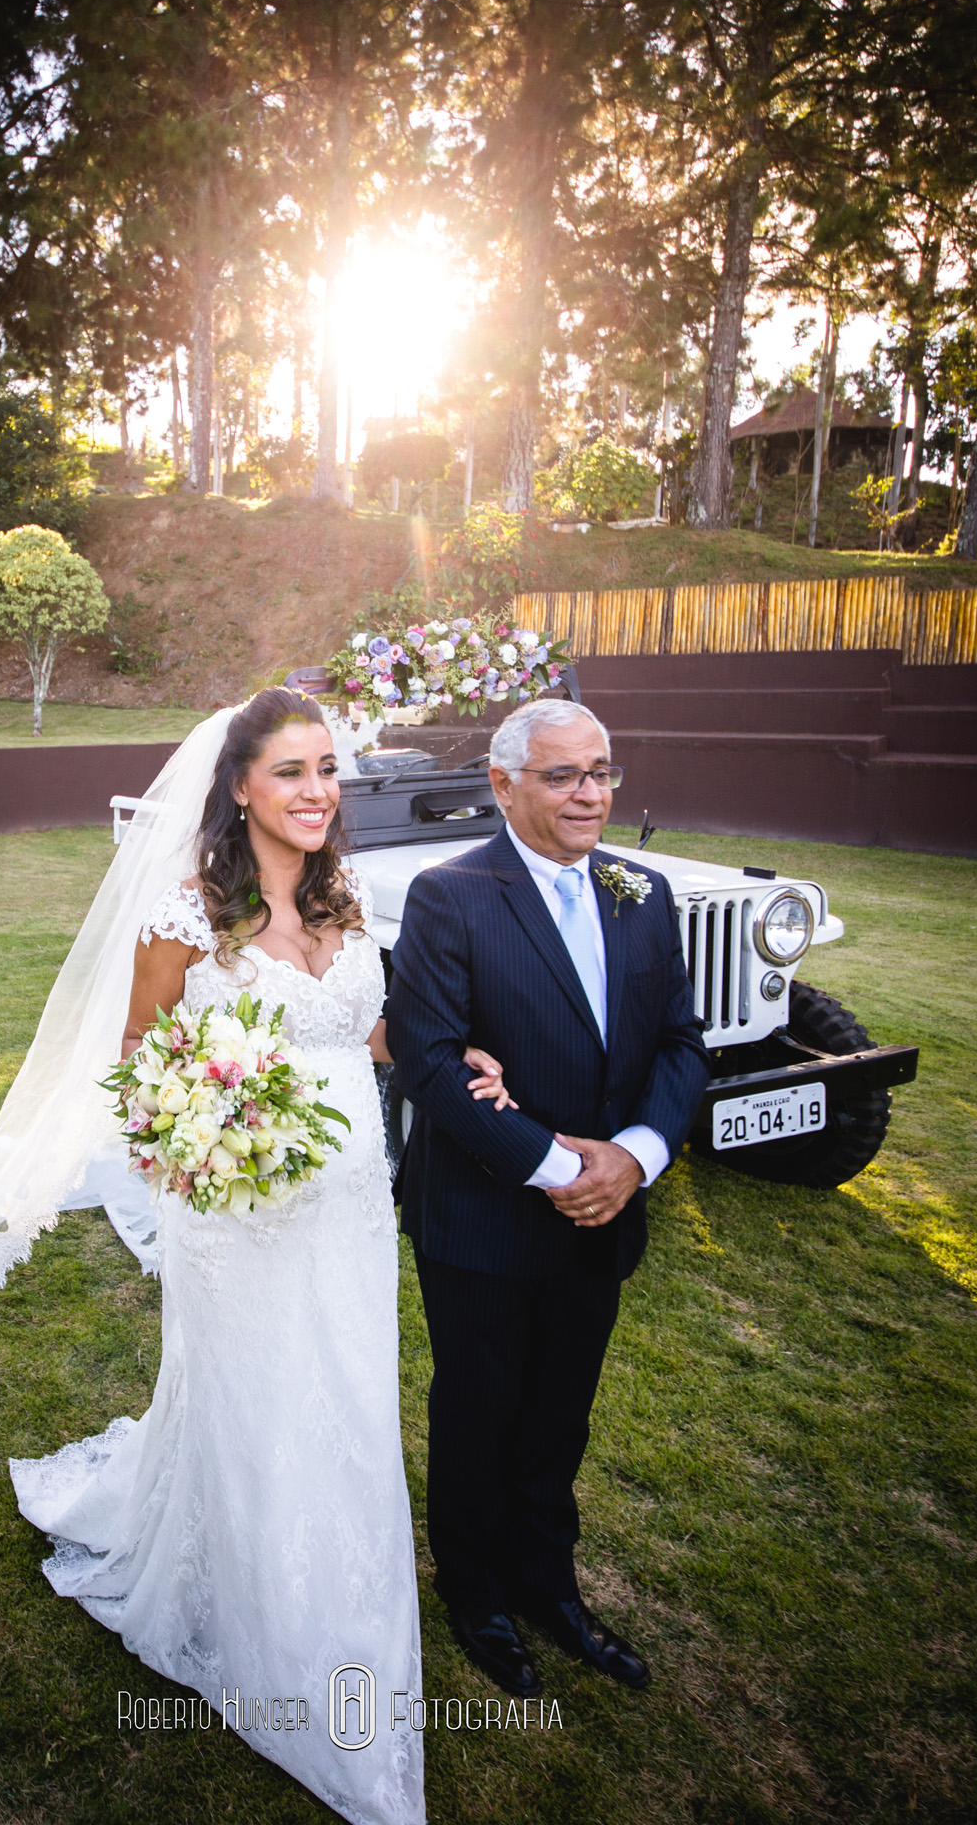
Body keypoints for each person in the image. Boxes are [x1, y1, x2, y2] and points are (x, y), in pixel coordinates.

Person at [0, 689, 513, 1825]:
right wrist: (205, 1135)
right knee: (257, 1399)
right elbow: (137, 1054)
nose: (317, 790)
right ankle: (274, 1626)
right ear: (240, 787)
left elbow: (368, 1031)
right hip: (240, 1209)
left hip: (352, 1203)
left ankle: (332, 1584)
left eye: (327, 768)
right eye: (291, 770)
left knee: (347, 1391)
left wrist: (455, 1060)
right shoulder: (185, 913)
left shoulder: (345, 895)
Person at [385, 697, 710, 1701]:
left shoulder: (641, 891)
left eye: (600, 772)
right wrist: (562, 1170)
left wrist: (635, 1157)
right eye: (562, 775)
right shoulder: (449, 895)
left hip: (606, 1211)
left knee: (560, 1412)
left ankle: (547, 1581)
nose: (588, 794)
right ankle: (475, 1592)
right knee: (478, 1409)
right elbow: (431, 1063)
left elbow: (678, 1041)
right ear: (503, 783)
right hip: (482, 1215)